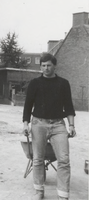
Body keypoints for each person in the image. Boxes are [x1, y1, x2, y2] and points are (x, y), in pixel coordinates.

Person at [22, 53, 76, 200]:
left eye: (49, 65)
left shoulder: (63, 83)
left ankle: (63, 195)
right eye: (43, 66)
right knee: (38, 159)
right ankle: (39, 191)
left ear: (54, 66)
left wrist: (71, 125)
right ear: (40, 67)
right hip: (38, 124)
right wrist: (26, 124)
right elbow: (27, 106)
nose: (46, 68)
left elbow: (69, 106)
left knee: (64, 159)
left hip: (58, 124)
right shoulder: (35, 83)